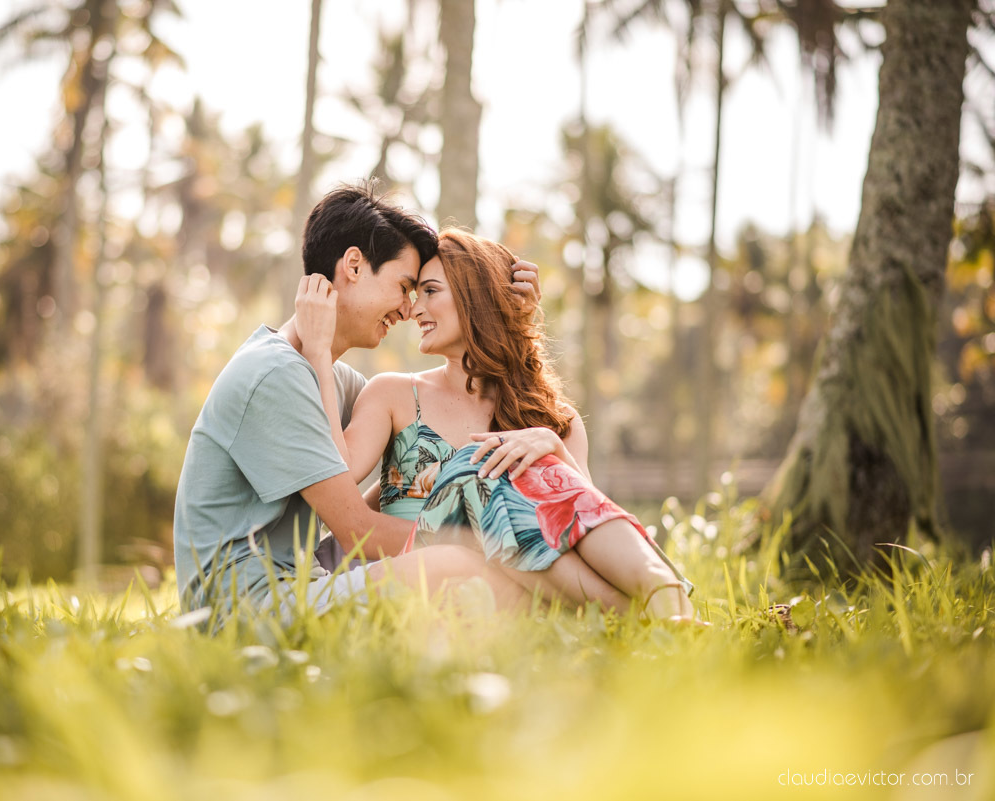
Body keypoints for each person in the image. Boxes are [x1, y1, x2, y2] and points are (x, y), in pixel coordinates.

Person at [172, 184, 544, 619]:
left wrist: (509, 322)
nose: (408, 311)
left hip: (301, 581)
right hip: (239, 605)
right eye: (404, 286)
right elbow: (354, 529)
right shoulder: (275, 375)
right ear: (353, 265)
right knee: (455, 566)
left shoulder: (334, 379)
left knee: (463, 579)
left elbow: (399, 476)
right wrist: (490, 543)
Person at [295, 228, 699, 622]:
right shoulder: (394, 395)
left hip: (532, 598)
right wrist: (319, 355)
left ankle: (662, 601)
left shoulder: (556, 420)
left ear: (478, 297)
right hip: (424, 582)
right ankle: (645, 614)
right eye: (415, 295)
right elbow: (339, 481)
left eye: (431, 292)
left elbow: (582, 524)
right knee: (474, 468)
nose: (414, 310)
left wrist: (553, 447)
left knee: (527, 454)